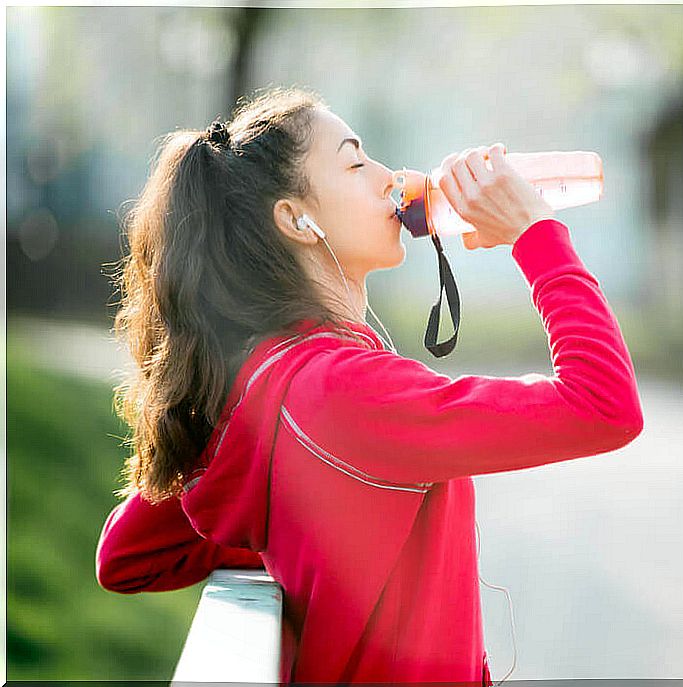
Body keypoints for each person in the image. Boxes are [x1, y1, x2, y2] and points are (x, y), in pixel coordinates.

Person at [95, 85, 644, 685]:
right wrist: (534, 235)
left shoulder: (259, 387)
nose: (393, 178)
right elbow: (604, 405)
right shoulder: (348, 393)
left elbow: (127, 554)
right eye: (356, 161)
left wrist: (306, 536)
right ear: (297, 221)